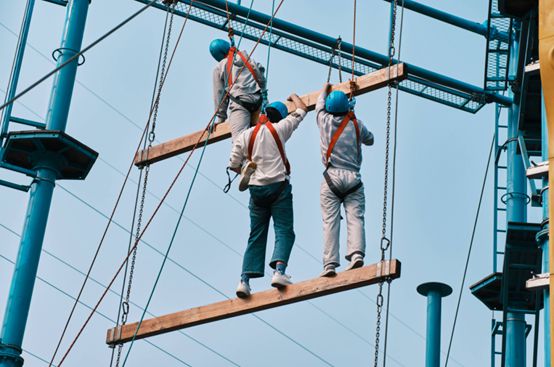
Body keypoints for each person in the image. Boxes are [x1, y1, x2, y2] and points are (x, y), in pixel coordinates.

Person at [229, 94, 308, 298]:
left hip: (256, 191)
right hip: (278, 187)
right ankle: (279, 271)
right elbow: (302, 111)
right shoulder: (281, 129)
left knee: (256, 235)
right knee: (283, 230)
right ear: (279, 117)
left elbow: (232, 164)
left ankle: (244, 280)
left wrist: (244, 169)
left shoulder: (245, 135)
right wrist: (295, 97)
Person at [316, 83, 374, 277]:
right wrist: (353, 114)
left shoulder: (324, 121)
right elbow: (370, 139)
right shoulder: (356, 124)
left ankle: (330, 264)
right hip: (353, 178)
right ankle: (357, 253)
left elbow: (319, 104)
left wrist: (326, 88)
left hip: (332, 176)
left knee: (330, 221)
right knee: (356, 217)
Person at [210, 38, 267, 140]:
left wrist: (221, 118)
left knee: (240, 143)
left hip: (240, 104)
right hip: (258, 102)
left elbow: (219, 94)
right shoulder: (247, 59)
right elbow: (261, 76)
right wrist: (264, 96)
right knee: (265, 137)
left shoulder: (220, 67)